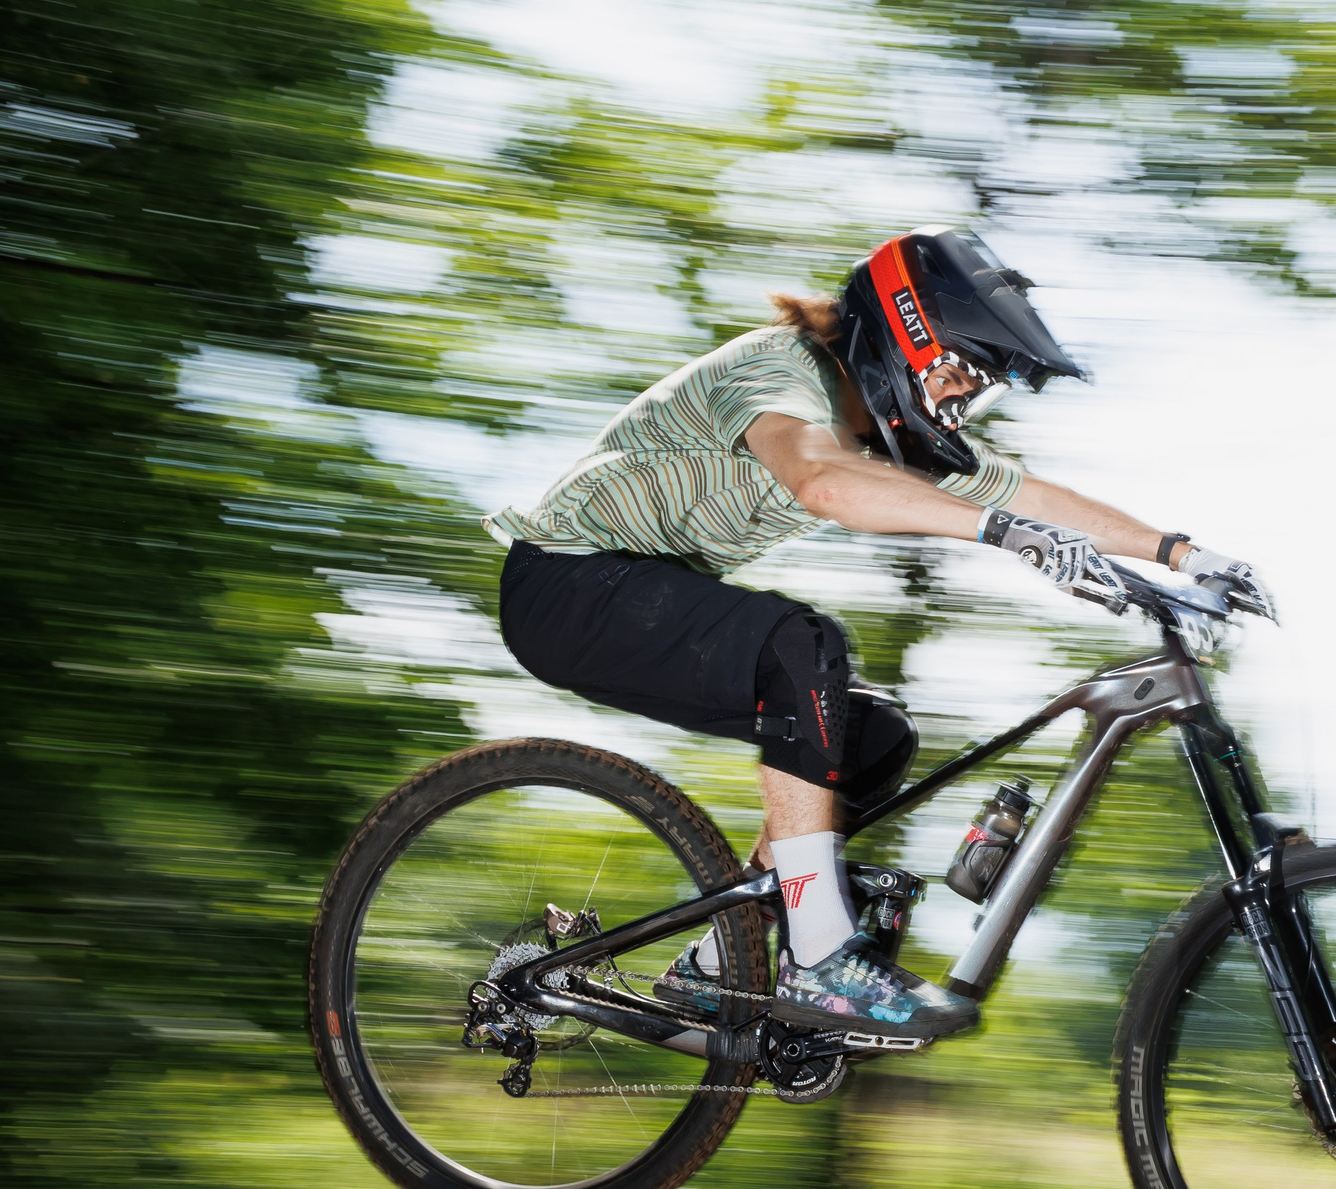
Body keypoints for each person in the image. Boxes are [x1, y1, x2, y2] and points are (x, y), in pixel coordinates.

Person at [484, 226, 1270, 1040]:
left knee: (873, 733)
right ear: (907, 331)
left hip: (635, 594)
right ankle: (818, 954)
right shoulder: (783, 371)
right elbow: (820, 480)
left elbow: (1032, 496)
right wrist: (1006, 535)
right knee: (802, 646)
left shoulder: (888, 432)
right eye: (958, 372)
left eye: (977, 389)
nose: (960, 401)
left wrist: (1181, 554)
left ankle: (721, 963)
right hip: (564, 584)